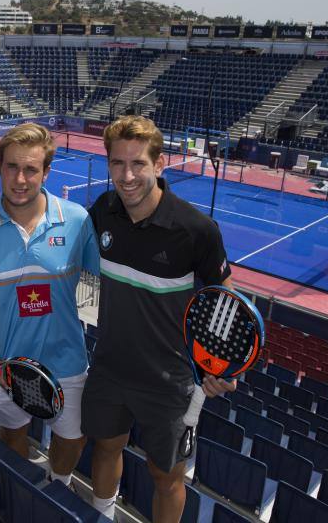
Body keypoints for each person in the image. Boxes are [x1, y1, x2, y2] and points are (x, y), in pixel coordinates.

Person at [81, 116, 235, 522]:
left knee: (166, 477)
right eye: (117, 163)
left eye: (138, 164)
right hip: (110, 367)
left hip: (169, 382)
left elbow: (224, 300)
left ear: (159, 164)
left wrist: (220, 364)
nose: (127, 175)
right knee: (106, 448)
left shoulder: (197, 230)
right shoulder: (103, 209)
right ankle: (103, 514)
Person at [0, 123, 100, 487]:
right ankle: (20, 490)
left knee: (73, 438)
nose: (20, 178)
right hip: (2, 363)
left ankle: (56, 484)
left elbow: (111, 276)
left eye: (31, 169)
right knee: (12, 437)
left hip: (67, 360)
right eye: (11, 167)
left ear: (46, 172)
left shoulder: (77, 220)